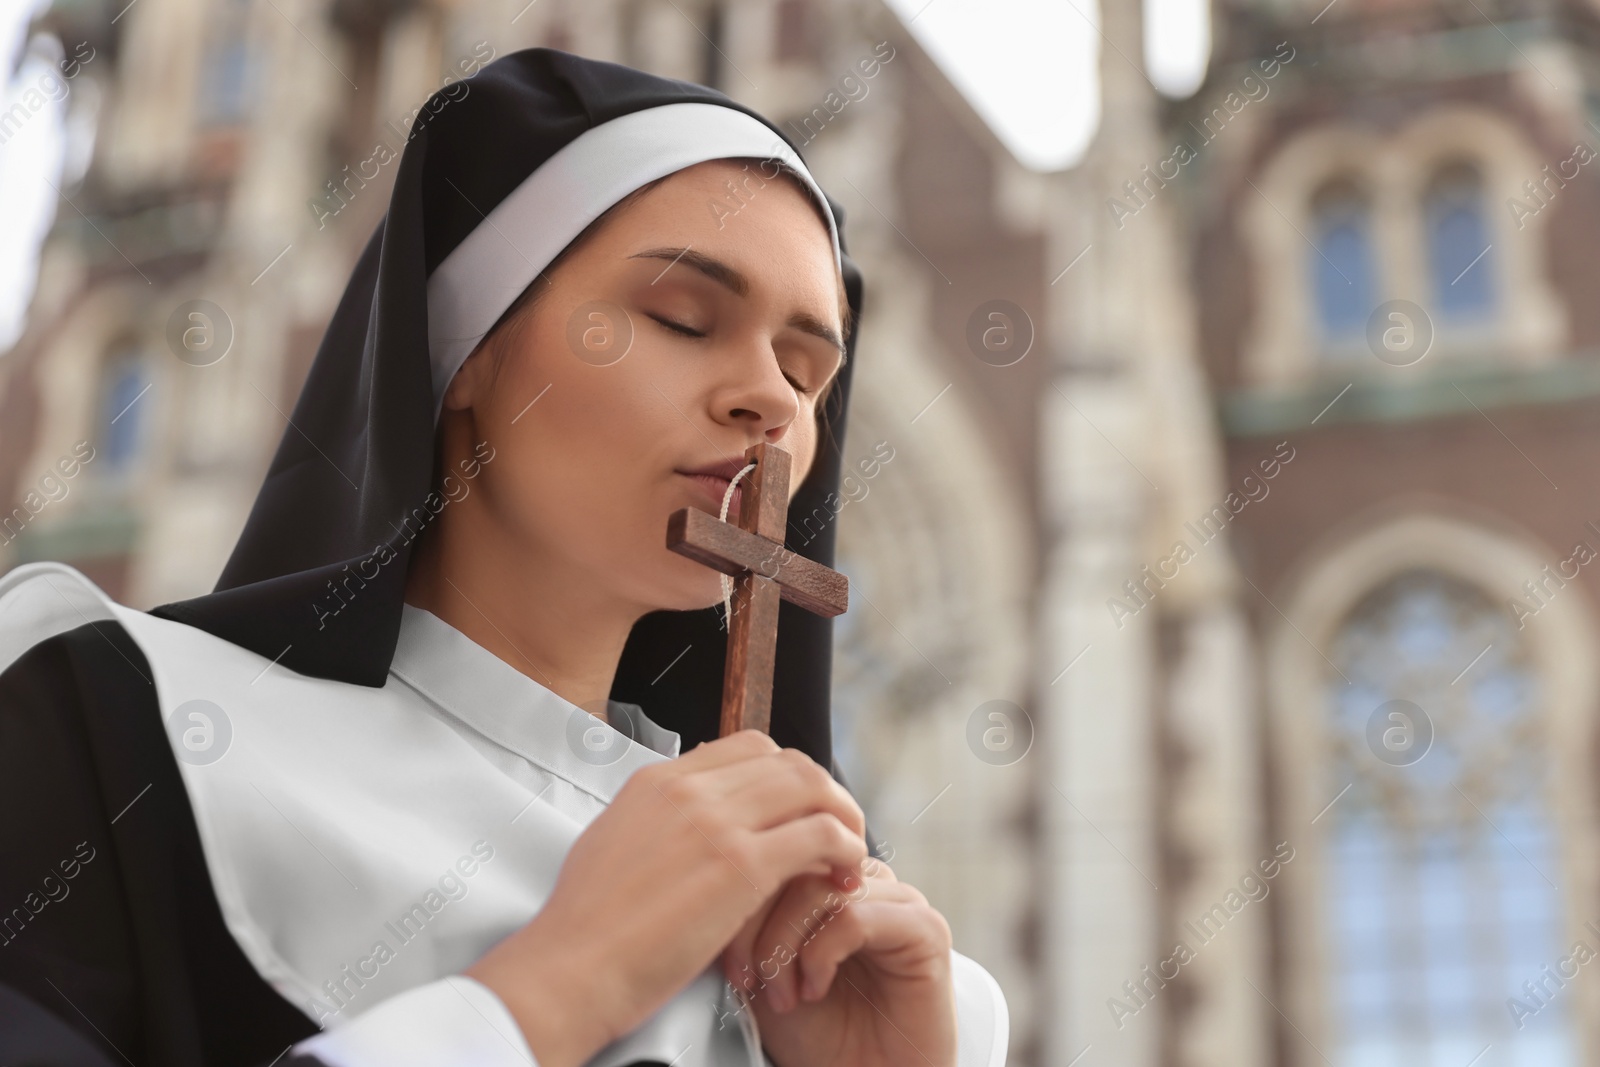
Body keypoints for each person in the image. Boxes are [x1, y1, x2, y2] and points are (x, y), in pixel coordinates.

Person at [0, 47, 1008, 1067]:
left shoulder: (843, 941)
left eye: (808, 374)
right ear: (470, 344)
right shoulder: (116, 726)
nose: (770, 403)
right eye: (683, 317)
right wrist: (553, 988)